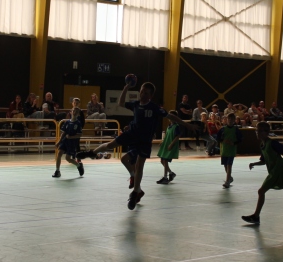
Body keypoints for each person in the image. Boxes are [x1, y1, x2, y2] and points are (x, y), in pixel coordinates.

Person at [77, 78, 197, 210]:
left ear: (151, 95)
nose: (142, 95)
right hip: (131, 134)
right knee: (111, 145)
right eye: (141, 92)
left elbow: (171, 116)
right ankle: (91, 153)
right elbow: (121, 102)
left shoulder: (155, 108)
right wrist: (126, 87)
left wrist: (187, 125)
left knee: (140, 165)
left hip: (144, 141)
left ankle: (135, 192)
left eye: (146, 93)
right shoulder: (135, 104)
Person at [53, 107, 84, 178]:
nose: (75, 112)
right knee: (59, 153)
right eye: (74, 111)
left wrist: (71, 137)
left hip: (72, 143)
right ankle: (57, 171)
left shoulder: (78, 123)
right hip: (65, 141)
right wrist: (59, 142)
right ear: (71, 112)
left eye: (76, 111)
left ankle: (78, 165)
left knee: (68, 158)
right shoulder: (67, 122)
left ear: (78, 114)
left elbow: (80, 134)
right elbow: (63, 133)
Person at [216, 112, 243, 188]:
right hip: (224, 150)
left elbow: (240, 139)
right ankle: (230, 177)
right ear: (226, 120)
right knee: (225, 165)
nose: (230, 120)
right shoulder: (223, 129)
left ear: (234, 120)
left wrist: (233, 143)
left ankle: (227, 181)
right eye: (229, 119)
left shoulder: (236, 130)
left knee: (229, 165)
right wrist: (223, 140)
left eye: (232, 119)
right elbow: (218, 138)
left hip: (231, 150)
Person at [156, 110, 181, 185]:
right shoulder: (169, 126)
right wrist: (163, 141)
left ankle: (165, 177)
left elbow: (177, 137)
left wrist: (171, 144)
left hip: (171, 144)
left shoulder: (176, 126)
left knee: (165, 160)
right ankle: (171, 173)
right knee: (162, 160)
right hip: (166, 144)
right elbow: (167, 135)